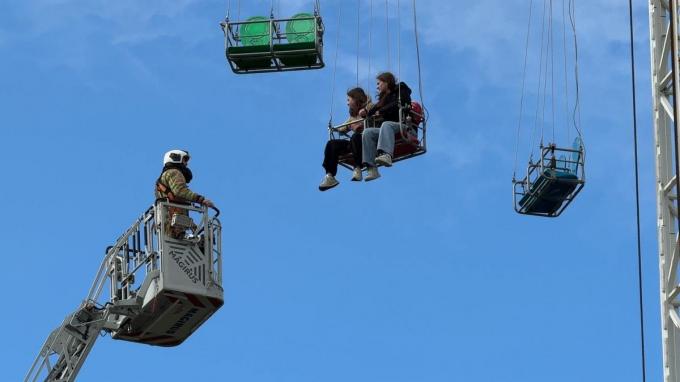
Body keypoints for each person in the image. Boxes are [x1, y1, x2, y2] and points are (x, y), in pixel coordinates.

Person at [361, 72, 412, 181]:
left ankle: (386, 155)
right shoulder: (383, 99)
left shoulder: (401, 89)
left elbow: (400, 103)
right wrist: (367, 112)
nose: (377, 86)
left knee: (386, 124)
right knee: (368, 132)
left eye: (379, 83)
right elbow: (374, 110)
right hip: (387, 129)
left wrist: (382, 111)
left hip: (402, 125)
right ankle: (372, 168)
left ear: (386, 82)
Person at [319, 87, 372, 191]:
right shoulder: (352, 117)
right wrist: (334, 128)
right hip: (355, 144)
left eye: (349, 100)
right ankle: (330, 175)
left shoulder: (370, 107)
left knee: (356, 136)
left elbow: (377, 116)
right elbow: (344, 127)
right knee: (332, 144)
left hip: (368, 140)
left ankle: (357, 167)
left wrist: (364, 120)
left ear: (356, 99)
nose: (347, 103)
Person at [155, 149, 215, 239]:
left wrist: (193, 227)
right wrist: (201, 200)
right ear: (176, 158)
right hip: (174, 222)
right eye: (185, 160)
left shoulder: (162, 178)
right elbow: (180, 191)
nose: (186, 164)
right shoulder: (174, 172)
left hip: (168, 222)